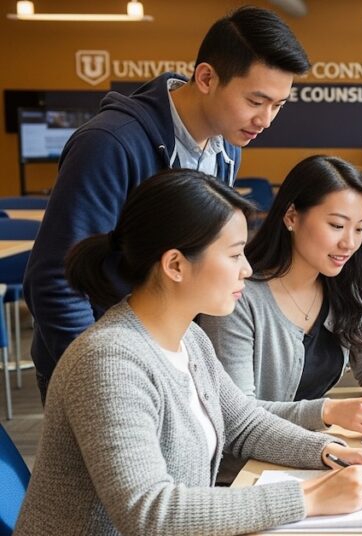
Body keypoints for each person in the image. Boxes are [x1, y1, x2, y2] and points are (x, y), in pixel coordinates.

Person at [16, 170, 362, 535]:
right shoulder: (109, 361)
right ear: (176, 265)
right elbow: (149, 511)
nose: (247, 270)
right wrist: (311, 496)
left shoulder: (191, 340)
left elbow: (245, 424)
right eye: (235, 254)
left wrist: (330, 452)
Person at [25, 5, 309, 402]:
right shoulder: (111, 143)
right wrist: (101, 379)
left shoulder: (227, 146)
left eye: (278, 105)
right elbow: (55, 279)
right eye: (255, 101)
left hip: (166, 360)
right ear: (207, 77)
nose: (265, 119)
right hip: (101, 369)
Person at [197, 155, 362, 480]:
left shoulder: (344, 290)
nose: (349, 243)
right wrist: (327, 410)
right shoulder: (238, 298)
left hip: (308, 460)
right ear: (292, 216)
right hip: (246, 473)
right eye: (336, 225)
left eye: (360, 229)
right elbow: (238, 413)